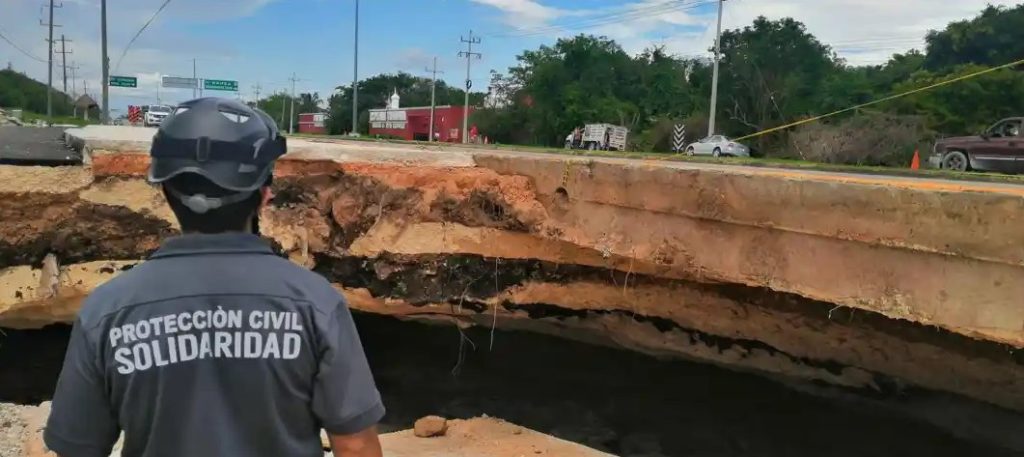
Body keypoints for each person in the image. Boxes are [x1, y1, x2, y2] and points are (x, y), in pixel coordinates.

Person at [44, 98, 385, 457]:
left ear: (165, 190)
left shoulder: (107, 311)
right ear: (264, 195)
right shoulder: (315, 304)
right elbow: (356, 446)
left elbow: (77, 449)